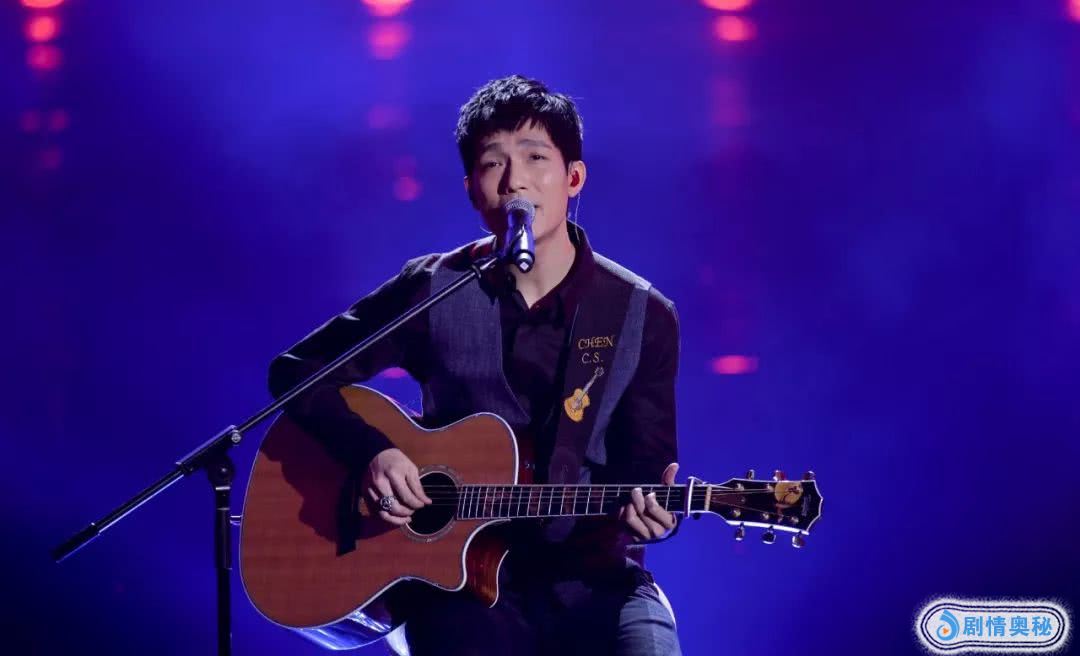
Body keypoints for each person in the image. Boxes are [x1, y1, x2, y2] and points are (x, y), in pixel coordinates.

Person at [269, 74, 682, 655]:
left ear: (573, 178)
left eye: (535, 157)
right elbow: (297, 372)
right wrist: (372, 453)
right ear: (471, 190)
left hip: (593, 580)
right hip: (454, 586)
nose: (515, 181)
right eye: (493, 163)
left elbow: (647, 469)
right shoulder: (433, 288)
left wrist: (656, 515)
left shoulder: (641, 313)